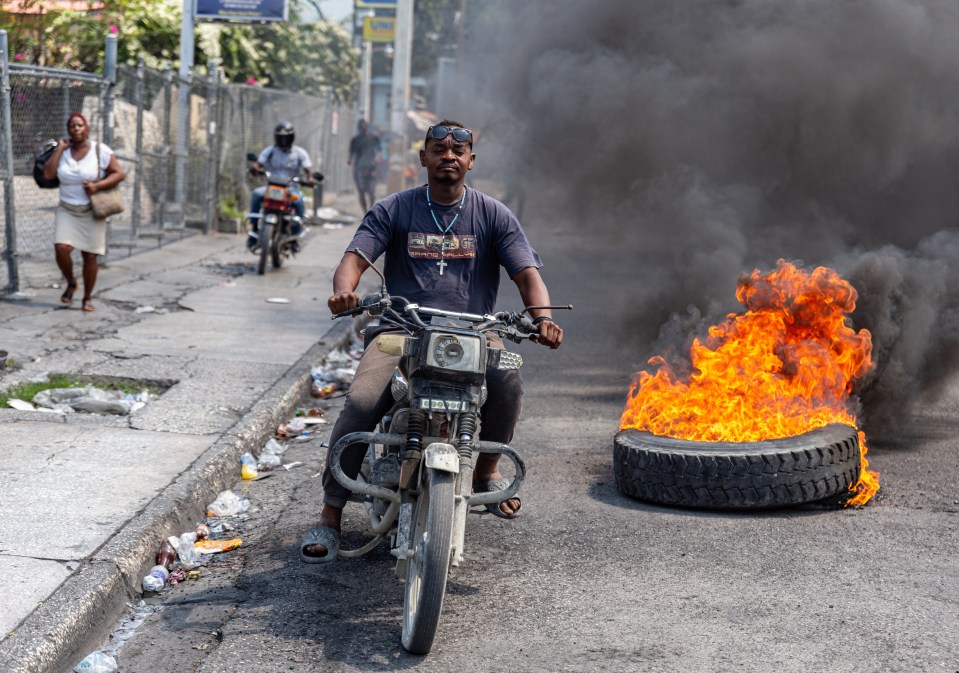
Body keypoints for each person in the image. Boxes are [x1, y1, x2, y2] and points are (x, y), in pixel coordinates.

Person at [301, 120, 564, 562]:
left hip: (475, 333)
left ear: (471, 162)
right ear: (422, 158)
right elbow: (355, 259)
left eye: (458, 151)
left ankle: (485, 472)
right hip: (400, 331)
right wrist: (344, 291)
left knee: (508, 385)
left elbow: (526, 276)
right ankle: (330, 513)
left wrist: (543, 320)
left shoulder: (494, 215)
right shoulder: (395, 209)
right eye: (438, 149)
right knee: (363, 402)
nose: (448, 156)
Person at [42, 112, 125, 313]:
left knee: (90, 256)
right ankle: (71, 282)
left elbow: (119, 173)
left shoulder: (100, 150)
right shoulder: (63, 151)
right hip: (67, 208)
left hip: (92, 210)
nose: (76, 129)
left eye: (80, 125)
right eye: (72, 126)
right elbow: (48, 174)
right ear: (68, 130)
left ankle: (87, 298)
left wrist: (98, 186)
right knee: (61, 247)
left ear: (86, 128)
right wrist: (60, 148)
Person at [247, 121, 314, 252]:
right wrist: (255, 168)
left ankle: (295, 237)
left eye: (286, 137)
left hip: (291, 189)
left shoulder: (299, 152)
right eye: (280, 137)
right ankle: (254, 229)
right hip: (271, 188)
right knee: (256, 194)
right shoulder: (270, 151)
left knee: (299, 201)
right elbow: (259, 163)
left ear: (291, 137)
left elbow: (308, 168)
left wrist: (310, 177)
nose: (283, 140)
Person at [348, 119, 380, 213]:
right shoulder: (355, 140)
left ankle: (371, 209)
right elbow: (351, 152)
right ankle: (365, 211)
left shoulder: (373, 138)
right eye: (361, 127)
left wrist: (377, 158)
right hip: (358, 169)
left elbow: (379, 150)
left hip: (371, 168)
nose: (363, 128)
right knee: (361, 191)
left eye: (364, 126)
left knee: (372, 191)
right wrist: (349, 159)